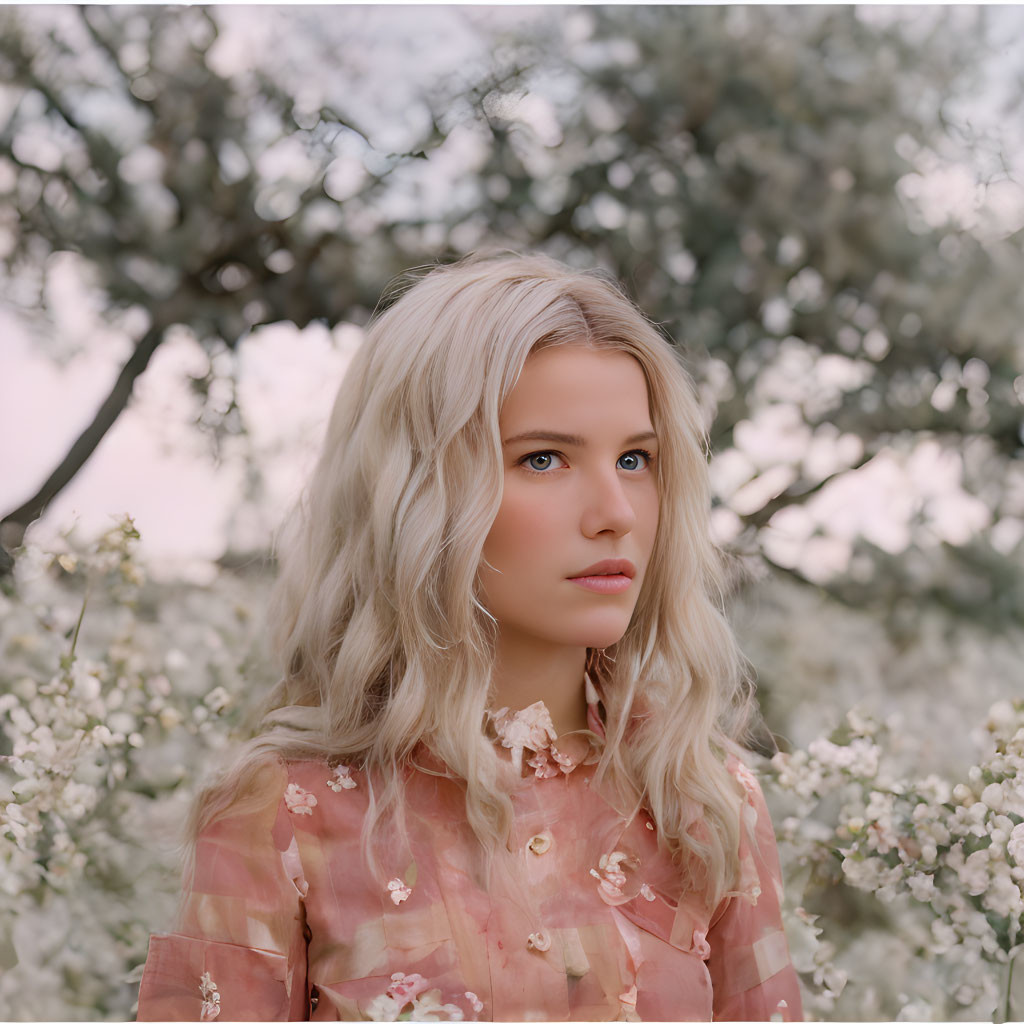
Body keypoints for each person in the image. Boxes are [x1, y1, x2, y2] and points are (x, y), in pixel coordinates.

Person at [136, 253, 803, 1022]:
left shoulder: (703, 796)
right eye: (543, 458)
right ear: (417, 492)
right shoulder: (284, 811)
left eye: (636, 459)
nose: (615, 510)